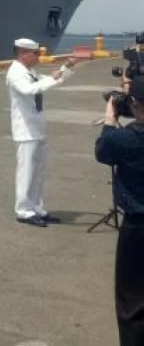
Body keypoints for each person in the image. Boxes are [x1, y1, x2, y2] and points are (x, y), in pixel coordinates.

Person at [6, 37, 77, 226]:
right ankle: (24, 211)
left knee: (38, 172)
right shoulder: (16, 73)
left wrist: (65, 69)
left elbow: (48, 81)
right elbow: (29, 90)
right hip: (25, 130)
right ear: (23, 53)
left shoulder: (30, 71)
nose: (38, 57)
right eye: (35, 53)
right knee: (26, 172)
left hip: (37, 127)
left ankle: (37, 208)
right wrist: (52, 79)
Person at [96, 77, 144, 345]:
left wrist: (110, 115)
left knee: (132, 304)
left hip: (137, 228)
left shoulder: (123, 140)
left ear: (135, 104)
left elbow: (103, 150)